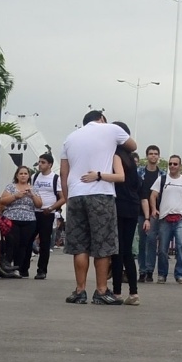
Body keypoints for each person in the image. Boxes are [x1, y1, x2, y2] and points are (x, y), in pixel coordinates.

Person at [59, 111, 135, 306]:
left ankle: (79, 290)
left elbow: (63, 171)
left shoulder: (70, 137)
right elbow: (133, 146)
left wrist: (68, 198)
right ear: (101, 119)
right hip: (101, 193)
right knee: (103, 245)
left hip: (76, 194)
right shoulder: (111, 129)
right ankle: (101, 290)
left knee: (80, 245)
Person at [110, 138, 145, 303]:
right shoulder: (131, 161)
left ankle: (117, 292)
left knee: (118, 251)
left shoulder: (115, 157)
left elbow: (118, 179)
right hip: (133, 206)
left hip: (119, 206)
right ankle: (134, 292)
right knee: (128, 252)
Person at [151, 153, 182, 284]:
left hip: (181, 218)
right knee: (163, 249)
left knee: (181, 246)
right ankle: (162, 274)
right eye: (170, 164)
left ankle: (180, 274)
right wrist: (154, 209)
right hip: (165, 218)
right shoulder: (162, 179)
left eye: (175, 164)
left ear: (180, 166)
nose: (172, 166)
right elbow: (153, 195)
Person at [0, 166, 41, 278]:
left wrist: (32, 195)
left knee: (24, 245)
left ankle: (20, 268)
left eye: (25, 173)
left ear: (29, 176)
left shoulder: (33, 188)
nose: (23, 175)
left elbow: (39, 204)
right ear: (17, 175)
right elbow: (2, 201)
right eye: (21, 173)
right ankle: (8, 267)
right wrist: (15, 196)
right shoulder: (11, 187)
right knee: (13, 243)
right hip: (12, 218)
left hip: (29, 219)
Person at [136, 145, 164, 283]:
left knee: (152, 241)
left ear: (158, 156)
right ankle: (141, 270)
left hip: (157, 212)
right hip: (140, 212)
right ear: (147, 156)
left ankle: (149, 270)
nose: (153, 156)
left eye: (155, 154)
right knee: (142, 241)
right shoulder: (139, 172)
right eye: (151, 153)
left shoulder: (162, 175)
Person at [31, 151, 61, 279]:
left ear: (50, 164)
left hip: (47, 213)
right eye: (39, 162)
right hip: (33, 212)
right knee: (28, 239)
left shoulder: (55, 179)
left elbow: (63, 198)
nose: (40, 165)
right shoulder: (35, 177)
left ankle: (41, 270)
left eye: (43, 163)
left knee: (44, 242)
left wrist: (51, 208)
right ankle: (23, 268)